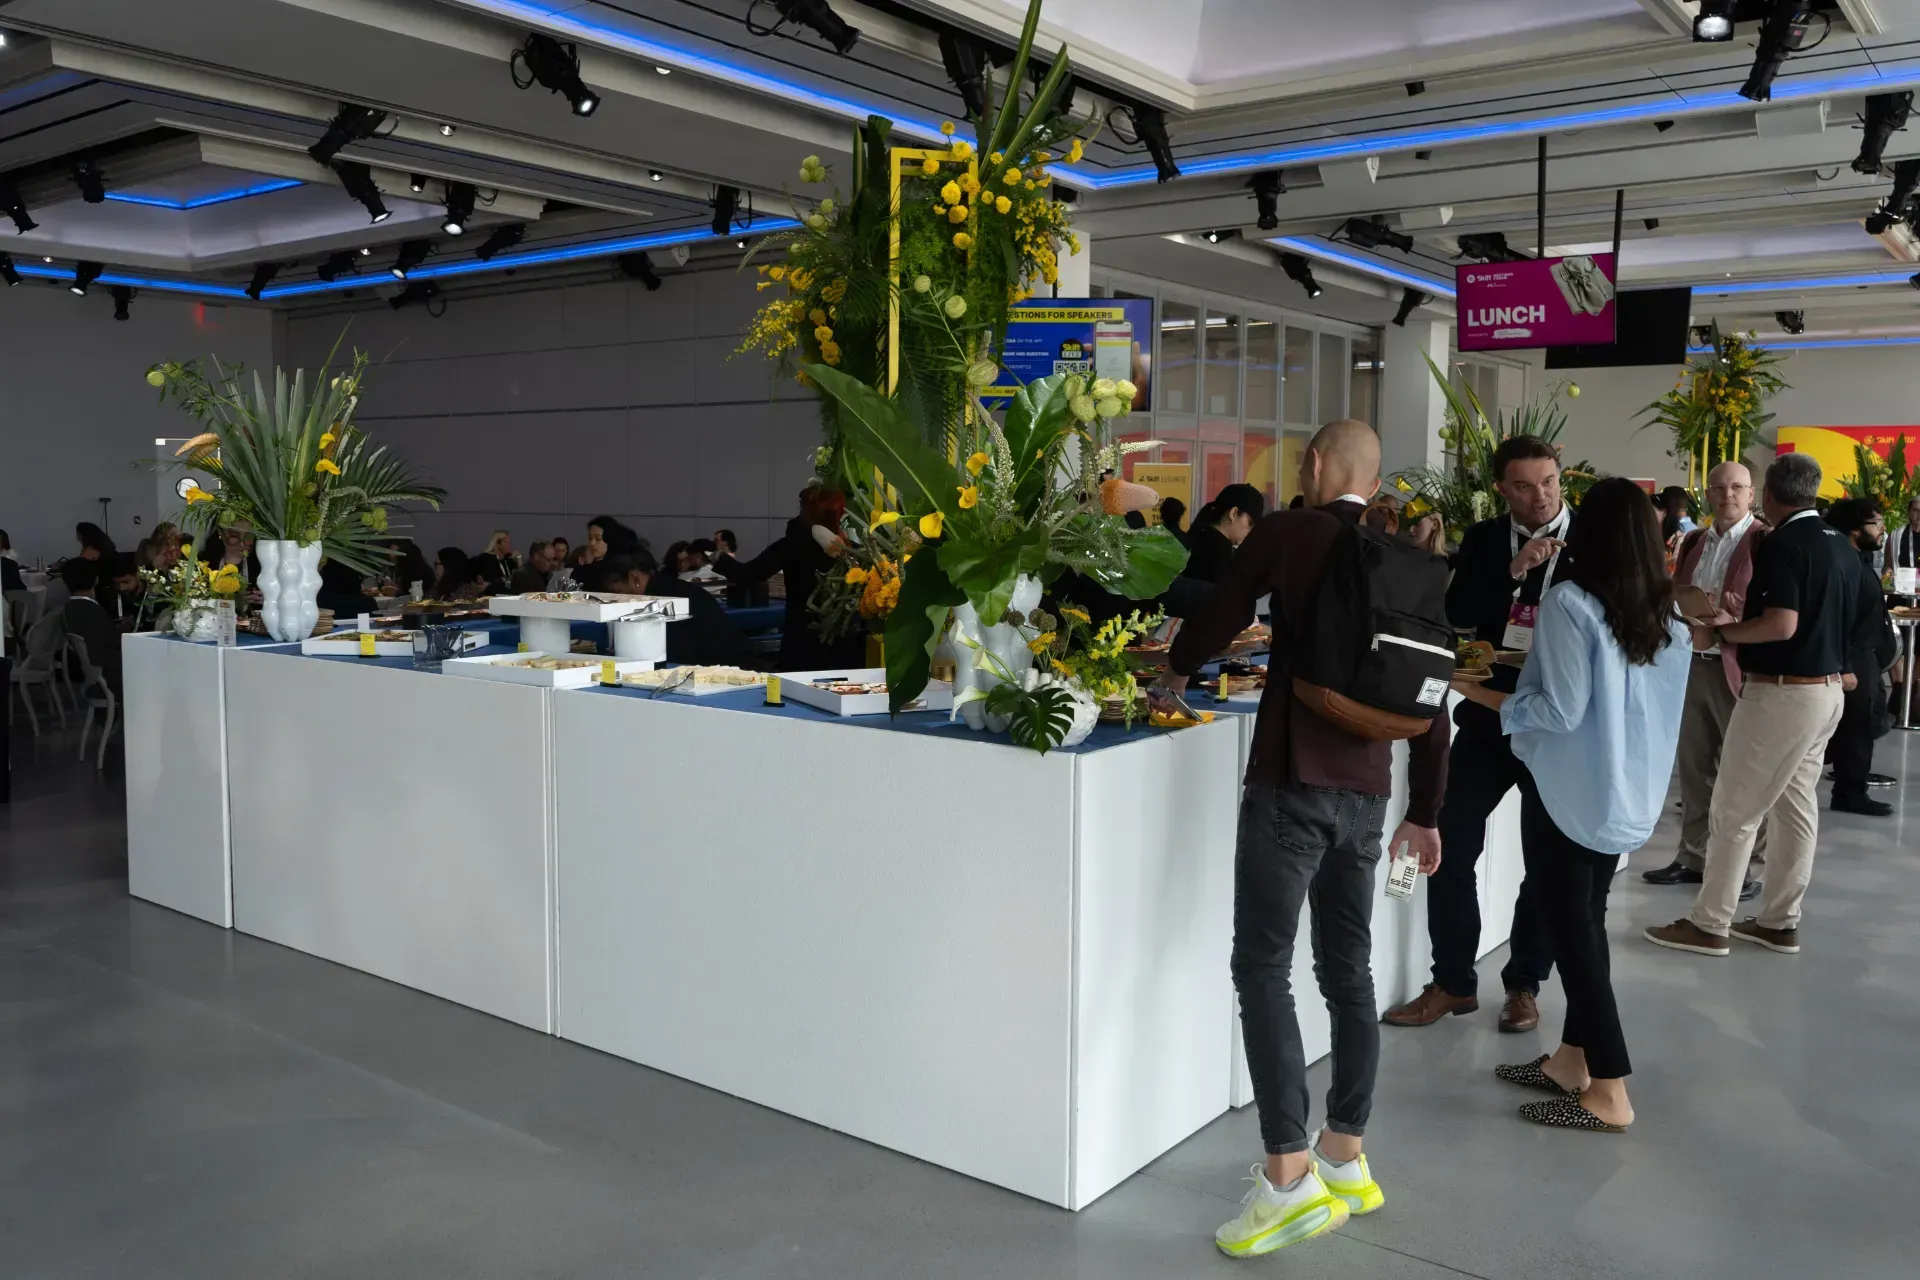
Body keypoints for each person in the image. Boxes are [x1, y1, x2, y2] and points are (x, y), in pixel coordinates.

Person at [1154, 420, 1447, 1259]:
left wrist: (1177, 669)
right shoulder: (1400, 554)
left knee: (1262, 967)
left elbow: (1221, 609)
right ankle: (1345, 1155)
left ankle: (1286, 1177)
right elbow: (1433, 693)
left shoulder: (1290, 531)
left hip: (1291, 785)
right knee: (1346, 972)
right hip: (1368, 797)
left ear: (1314, 466)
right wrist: (1424, 810)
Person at [1453, 478, 1690, 1134]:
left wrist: (1473, 694)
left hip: (1568, 792)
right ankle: (1571, 1060)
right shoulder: (1665, 613)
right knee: (1586, 922)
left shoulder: (1571, 603)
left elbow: (1556, 711)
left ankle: (1609, 1088)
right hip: (1625, 793)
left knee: (1575, 935)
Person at [1645, 453, 1869, 958]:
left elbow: (1780, 623)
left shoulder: (1782, 542)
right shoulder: (1840, 544)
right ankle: (1778, 921)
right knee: (1794, 807)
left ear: (1764, 494)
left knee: (1734, 808)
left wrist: (1720, 631)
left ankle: (1710, 922)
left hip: (1783, 690)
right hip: (1826, 690)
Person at [1383, 435, 1564, 1034]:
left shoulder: (1592, 540)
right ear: (1500, 489)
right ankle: (1454, 981)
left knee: (1545, 861)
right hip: (1486, 714)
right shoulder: (1487, 539)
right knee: (1451, 845)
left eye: (1548, 483)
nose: (1538, 497)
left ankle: (1524, 985)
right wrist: (1513, 571)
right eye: (1523, 486)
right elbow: (1456, 613)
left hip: (1554, 724)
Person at [1641, 461, 1768, 897]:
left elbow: (1774, 608)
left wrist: (1731, 614)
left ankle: (1747, 867)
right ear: (1707, 495)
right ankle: (1692, 856)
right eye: (1719, 488)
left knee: (1743, 774)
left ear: (1752, 494)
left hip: (1739, 668)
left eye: (1737, 487)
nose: (1728, 495)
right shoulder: (1695, 539)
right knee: (1694, 767)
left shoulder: (1764, 541)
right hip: (1692, 663)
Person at [714, 486, 861, 671]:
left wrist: (718, 558)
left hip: (801, 645)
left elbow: (748, 574)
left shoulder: (792, 545)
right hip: (844, 647)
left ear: (807, 510)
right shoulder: (853, 550)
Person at [1823, 499, 1897, 816]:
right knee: (1855, 727)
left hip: (1866, 656)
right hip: (1852, 657)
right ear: (1855, 531)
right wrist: (1847, 666)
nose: (1882, 529)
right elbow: (1838, 619)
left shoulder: (1860, 558)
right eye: (1876, 523)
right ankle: (1850, 792)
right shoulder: (1845, 563)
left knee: (1866, 723)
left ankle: (1852, 785)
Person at [600, 551, 751, 667]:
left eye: (618, 592)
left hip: (722, 671)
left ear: (634, 579)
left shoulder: (662, 603)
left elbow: (679, 657)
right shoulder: (672, 588)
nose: (617, 600)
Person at [1182, 483, 1266, 584]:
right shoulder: (1219, 553)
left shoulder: (1198, 539)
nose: (1251, 530)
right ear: (1233, 513)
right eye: (1250, 523)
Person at [61, 559, 122, 697]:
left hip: (90, 674)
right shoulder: (94, 611)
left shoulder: (69, 609)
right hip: (110, 676)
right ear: (96, 580)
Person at [1882, 497, 1920, 577]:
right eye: (1915, 510)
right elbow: (1887, 566)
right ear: (1909, 513)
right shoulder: (1894, 536)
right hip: (1902, 586)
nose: (1919, 514)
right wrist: (1888, 574)